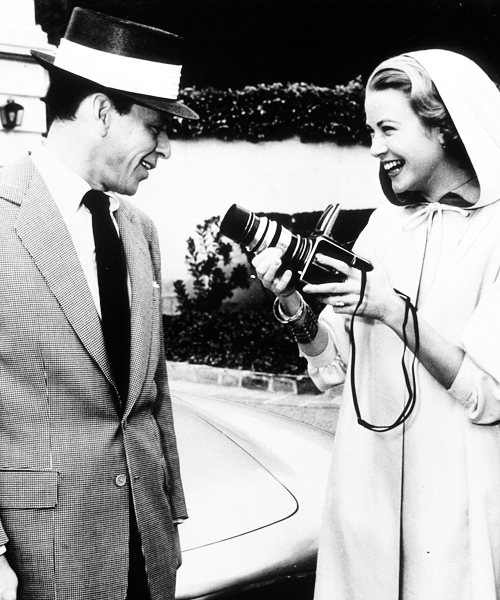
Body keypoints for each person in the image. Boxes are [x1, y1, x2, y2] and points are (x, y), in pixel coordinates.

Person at [253, 49, 500, 599]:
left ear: (443, 128)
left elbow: (488, 396)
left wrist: (392, 310)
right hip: (367, 501)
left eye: (388, 129)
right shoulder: (385, 227)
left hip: (455, 512)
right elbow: (334, 370)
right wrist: (292, 303)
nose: (374, 148)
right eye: (371, 131)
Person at [0, 7, 198, 600]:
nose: (165, 149)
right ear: (103, 112)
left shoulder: (141, 231)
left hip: (148, 551)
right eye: (156, 127)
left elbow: (153, 392)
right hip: (43, 554)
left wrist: (170, 515)